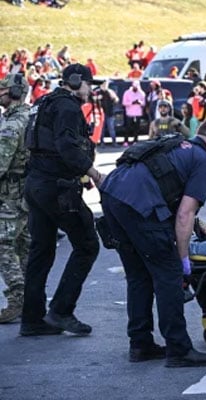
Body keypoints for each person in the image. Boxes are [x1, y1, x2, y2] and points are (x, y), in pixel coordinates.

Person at [100, 118, 206, 367]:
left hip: (113, 198)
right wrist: (183, 259)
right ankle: (178, 350)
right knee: (168, 276)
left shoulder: (181, 150)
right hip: (139, 206)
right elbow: (185, 215)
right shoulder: (201, 161)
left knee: (139, 276)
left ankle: (140, 344)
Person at [20, 64, 104, 337]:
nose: (91, 90)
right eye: (89, 84)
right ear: (77, 81)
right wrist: (92, 172)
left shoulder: (43, 101)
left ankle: (32, 320)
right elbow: (67, 146)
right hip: (57, 187)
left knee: (41, 250)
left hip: (37, 183)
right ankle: (61, 311)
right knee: (87, 244)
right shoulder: (67, 107)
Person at [0, 74, 31, 324]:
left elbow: (1, 163)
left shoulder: (12, 124)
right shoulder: (26, 116)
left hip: (10, 195)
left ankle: (17, 299)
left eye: (3, 89)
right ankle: (31, 299)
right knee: (24, 245)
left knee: (3, 246)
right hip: (24, 194)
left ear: (15, 92)